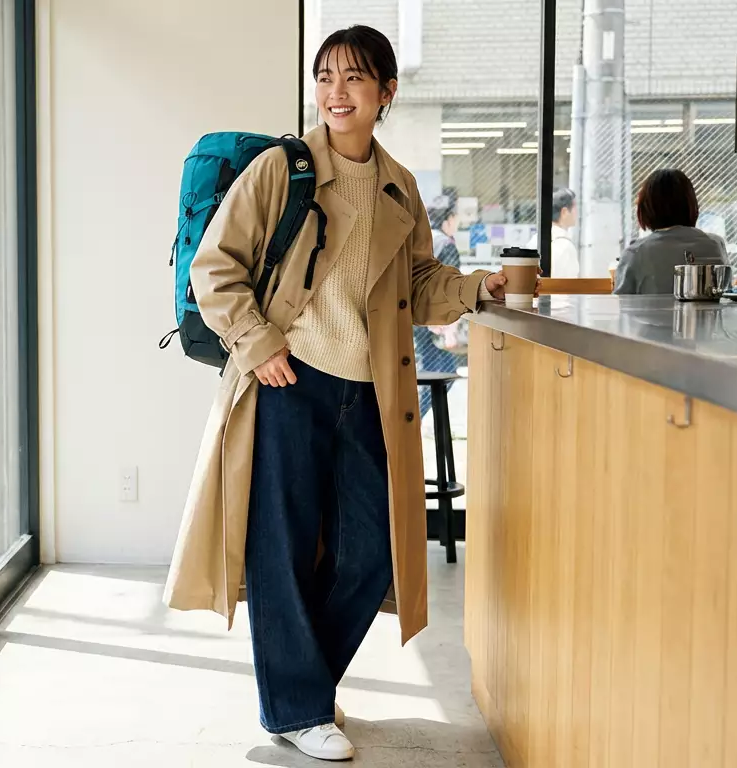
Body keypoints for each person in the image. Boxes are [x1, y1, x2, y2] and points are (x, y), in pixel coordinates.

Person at [163, 25, 521, 762]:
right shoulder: (281, 169)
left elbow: (417, 284)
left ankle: (303, 689)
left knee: (372, 552)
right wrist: (259, 345)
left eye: (354, 78)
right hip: (288, 381)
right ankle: (299, 707)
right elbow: (215, 266)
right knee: (283, 549)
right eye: (325, 77)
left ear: (386, 92)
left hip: (370, 392)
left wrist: (477, 289)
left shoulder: (399, 186)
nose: (336, 92)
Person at [613, 169, 727, 295]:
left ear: (646, 207)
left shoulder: (635, 253)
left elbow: (621, 303)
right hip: (705, 309)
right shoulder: (715, 245)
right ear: (690, 204)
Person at [415, 202, 464, 417]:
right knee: (442, 373)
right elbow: (452, 287)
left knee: (428, 370)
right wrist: (450, 327)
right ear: (448, 220)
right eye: (456, 219)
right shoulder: (446, 244)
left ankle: (415, 420)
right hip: (436, 322)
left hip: (416, 317)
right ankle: (414, 420)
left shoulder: (423, 241)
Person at [549, 187, 580, 278]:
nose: (577, 213)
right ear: (565, 212)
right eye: (575, 208)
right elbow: (569, 283)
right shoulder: (565, 246)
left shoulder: (535, 240)